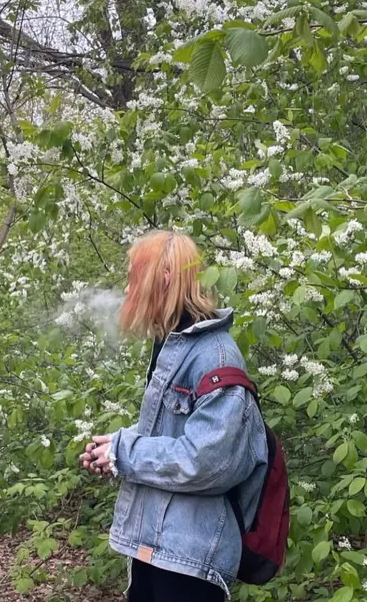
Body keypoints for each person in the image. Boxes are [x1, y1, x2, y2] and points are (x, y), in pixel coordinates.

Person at [80, 230, 268, 601]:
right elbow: (169, 430)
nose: (129, 289)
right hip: (157, 547)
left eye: (135, 278)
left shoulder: (216, 356)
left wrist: (125, 452)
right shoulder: (174, 345)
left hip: (190, 560)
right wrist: (113, 449)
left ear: (164, 279)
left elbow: (208, 461)